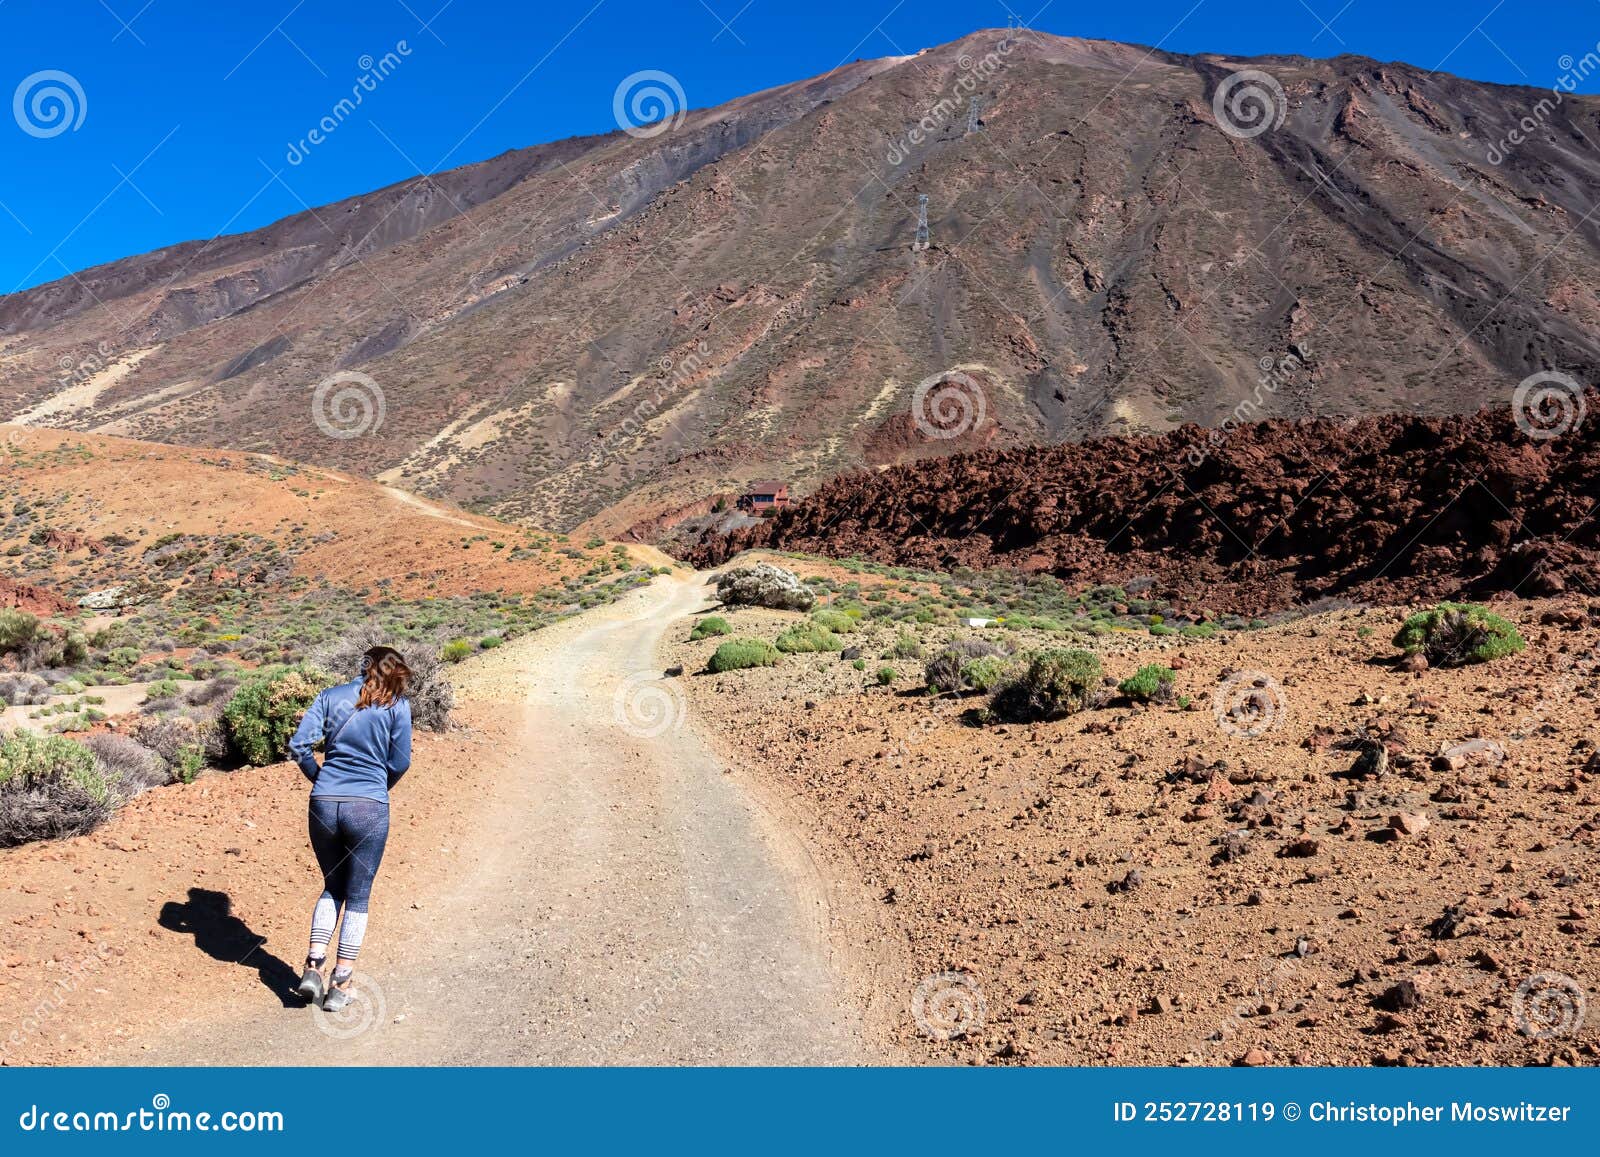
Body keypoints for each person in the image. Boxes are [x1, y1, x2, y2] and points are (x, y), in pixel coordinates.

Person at [287, 646, 413, 1011]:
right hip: (369, 805)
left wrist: (321, 778)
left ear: (362, 666)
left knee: (332, 886)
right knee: (357, 896)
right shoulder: (397, 705)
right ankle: (340, 984)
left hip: (324, 803)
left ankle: (312, 966)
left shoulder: (329, 697)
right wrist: (377, 789)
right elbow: (401, 761)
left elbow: (299, 746)